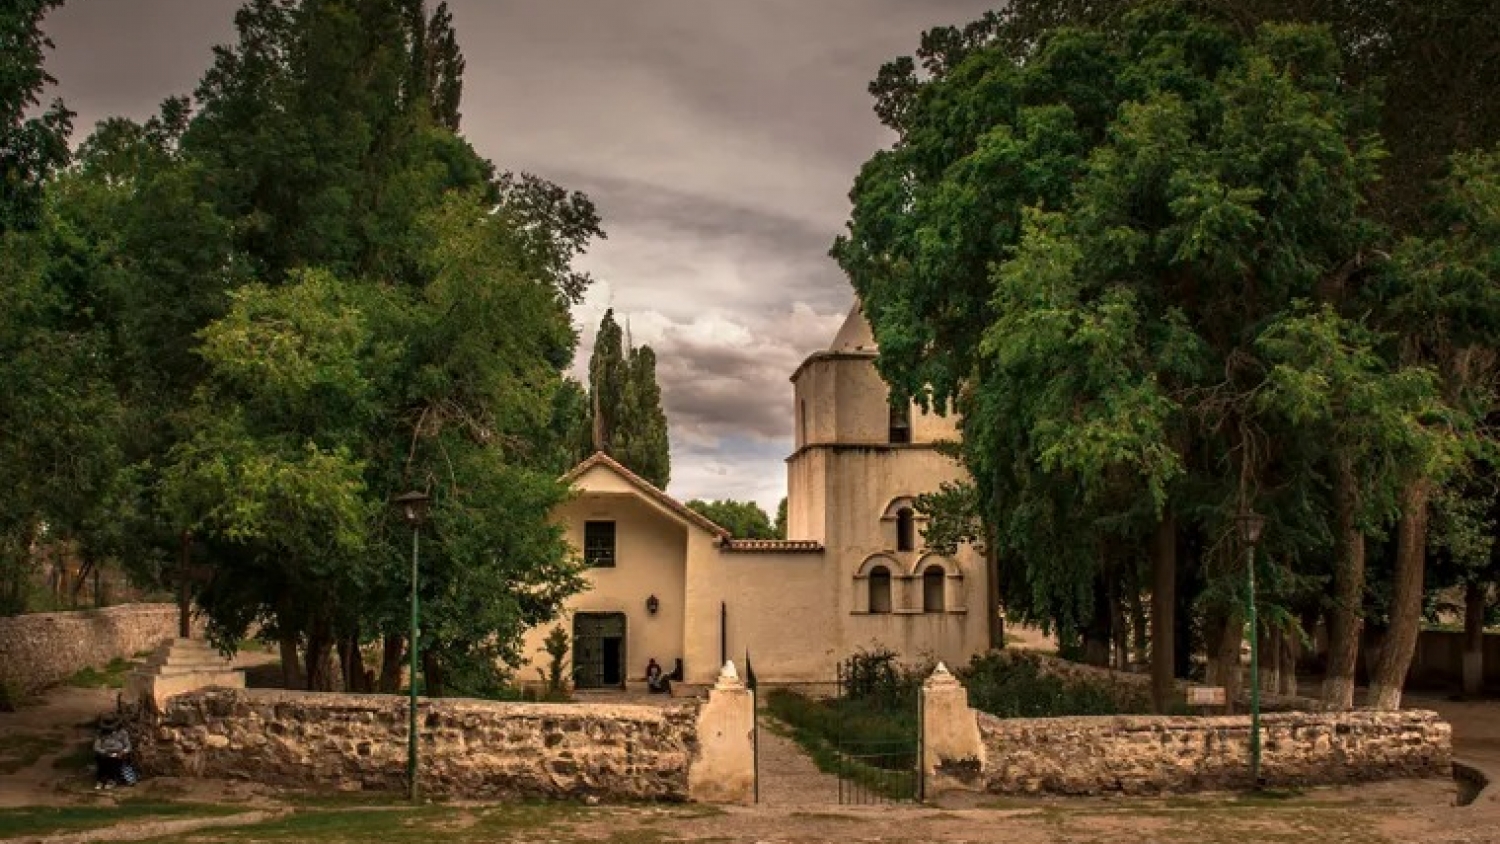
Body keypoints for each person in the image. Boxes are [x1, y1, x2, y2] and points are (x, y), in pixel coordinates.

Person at [93, 715, 132, 790]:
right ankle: (100, 781)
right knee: (100, 759)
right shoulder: (100, 733)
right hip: (104, 753)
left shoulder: (123, 732)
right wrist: (104, 752)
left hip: (118, 753)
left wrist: (123, 752)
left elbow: (128, 746)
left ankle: (112, 780)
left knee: (114, 760)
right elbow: (96, 747)